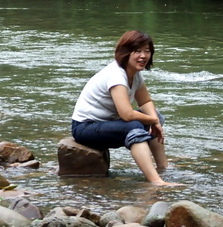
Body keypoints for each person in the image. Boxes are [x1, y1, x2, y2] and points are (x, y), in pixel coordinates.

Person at [71, 30, 180, 186]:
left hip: (106, 123)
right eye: (138, 51)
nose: (143, 56)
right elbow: (127, 114)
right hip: (84, 127)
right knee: (135, 126)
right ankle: (156, 181)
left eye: (147, 51)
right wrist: (152, 120)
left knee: (156, 115)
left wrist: (155, 119)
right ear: (126, 52)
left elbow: (145, 101)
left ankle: (163, 167)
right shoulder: (116, 75)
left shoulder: (134, 73)